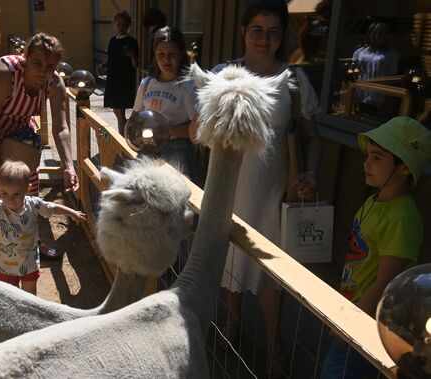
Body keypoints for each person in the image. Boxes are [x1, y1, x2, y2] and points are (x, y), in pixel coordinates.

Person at [214, 1, 322, 377]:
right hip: (228, 186)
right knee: (229, 262)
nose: (264, 38)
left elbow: (311, 135)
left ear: (283, 36)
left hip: (272, 193)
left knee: (268, 274)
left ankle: (274, 344)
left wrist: (310, 172)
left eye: (273, 31)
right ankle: (232, 326)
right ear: (243, 31)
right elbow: (200, 130)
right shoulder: (224, 75)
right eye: (256, 29)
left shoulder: (294, 80)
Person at [321, 116, 431, 379]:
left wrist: (350, 318)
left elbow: (386, 280)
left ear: (404, 167)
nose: (366, 163)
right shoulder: (374, 200)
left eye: (377, 158)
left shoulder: (402, 217)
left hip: (369, 321)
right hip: (354, 306)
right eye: (368, 155)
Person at [0, 32, 78, 201]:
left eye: (50, 66)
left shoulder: (55, 83)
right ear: (26, 57)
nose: (42, 71)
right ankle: (3, 224)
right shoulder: (6, 74)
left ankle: (26, 222)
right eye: (37, 63)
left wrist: (68, 166)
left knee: (26, 188)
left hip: (18, 127)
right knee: (4, 191)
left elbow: (60, 128)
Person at [0, 160, 86, 295]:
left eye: (16, 194)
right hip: (5, 266)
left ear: (27, 189)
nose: (9, 199)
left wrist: (72, 212)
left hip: (29, 263)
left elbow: (53, 208)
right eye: (4, 193)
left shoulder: (34, 204)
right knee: (9, 296)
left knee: (29, 294)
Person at [132, 26, 199, 182]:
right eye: (161, 54)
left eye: (172, 54)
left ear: (182, 54)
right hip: (147, 148)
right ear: (155, 55)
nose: (166, 60)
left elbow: (193, 131)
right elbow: (136, 116)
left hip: (177, 150)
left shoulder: (187, 86)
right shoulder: (146, 84)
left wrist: (165, 130)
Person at [98, 10, 139, 135]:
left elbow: (136, 65)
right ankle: (128, 132)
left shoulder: (132, 42)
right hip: (113, 80)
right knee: (117, 111)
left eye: (124, 25)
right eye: (119, 24)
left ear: (128, 26)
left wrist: (133, 56)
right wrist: (102, 65)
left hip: (125, 80)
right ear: (115, 25)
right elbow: (111, 58)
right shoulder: (112, 41)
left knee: (119, 111)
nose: (121, 27)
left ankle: (123, 137)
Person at [352, 22, 398, 116]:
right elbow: (353, 74)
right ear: (369, 34)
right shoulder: (360, 52)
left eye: (381, 34)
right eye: (374, 33)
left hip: (379, 97)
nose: (377, 36)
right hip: (361, 95)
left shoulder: (390, 54)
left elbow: (392, 78)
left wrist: (389, 100)